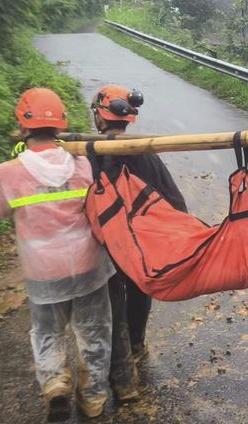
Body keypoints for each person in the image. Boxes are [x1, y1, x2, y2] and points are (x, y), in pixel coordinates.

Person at [0, 88, 114, 422]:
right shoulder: (82, 164)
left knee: (47, 331)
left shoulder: (7, 172)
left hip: (42, 271)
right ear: (60, 125)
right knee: (94, 330)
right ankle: (94, 397)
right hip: (87, 263)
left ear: (22, 125)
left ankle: (55, 381)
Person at [88, 84, 189, 400]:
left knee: (112, 293)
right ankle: (136, 344)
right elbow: (173, 199)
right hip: (142, 241)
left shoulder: (89, 153)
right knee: (139, 287)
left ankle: (118, 364)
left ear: (99, 117)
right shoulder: (145, 152)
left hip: (110, 241)